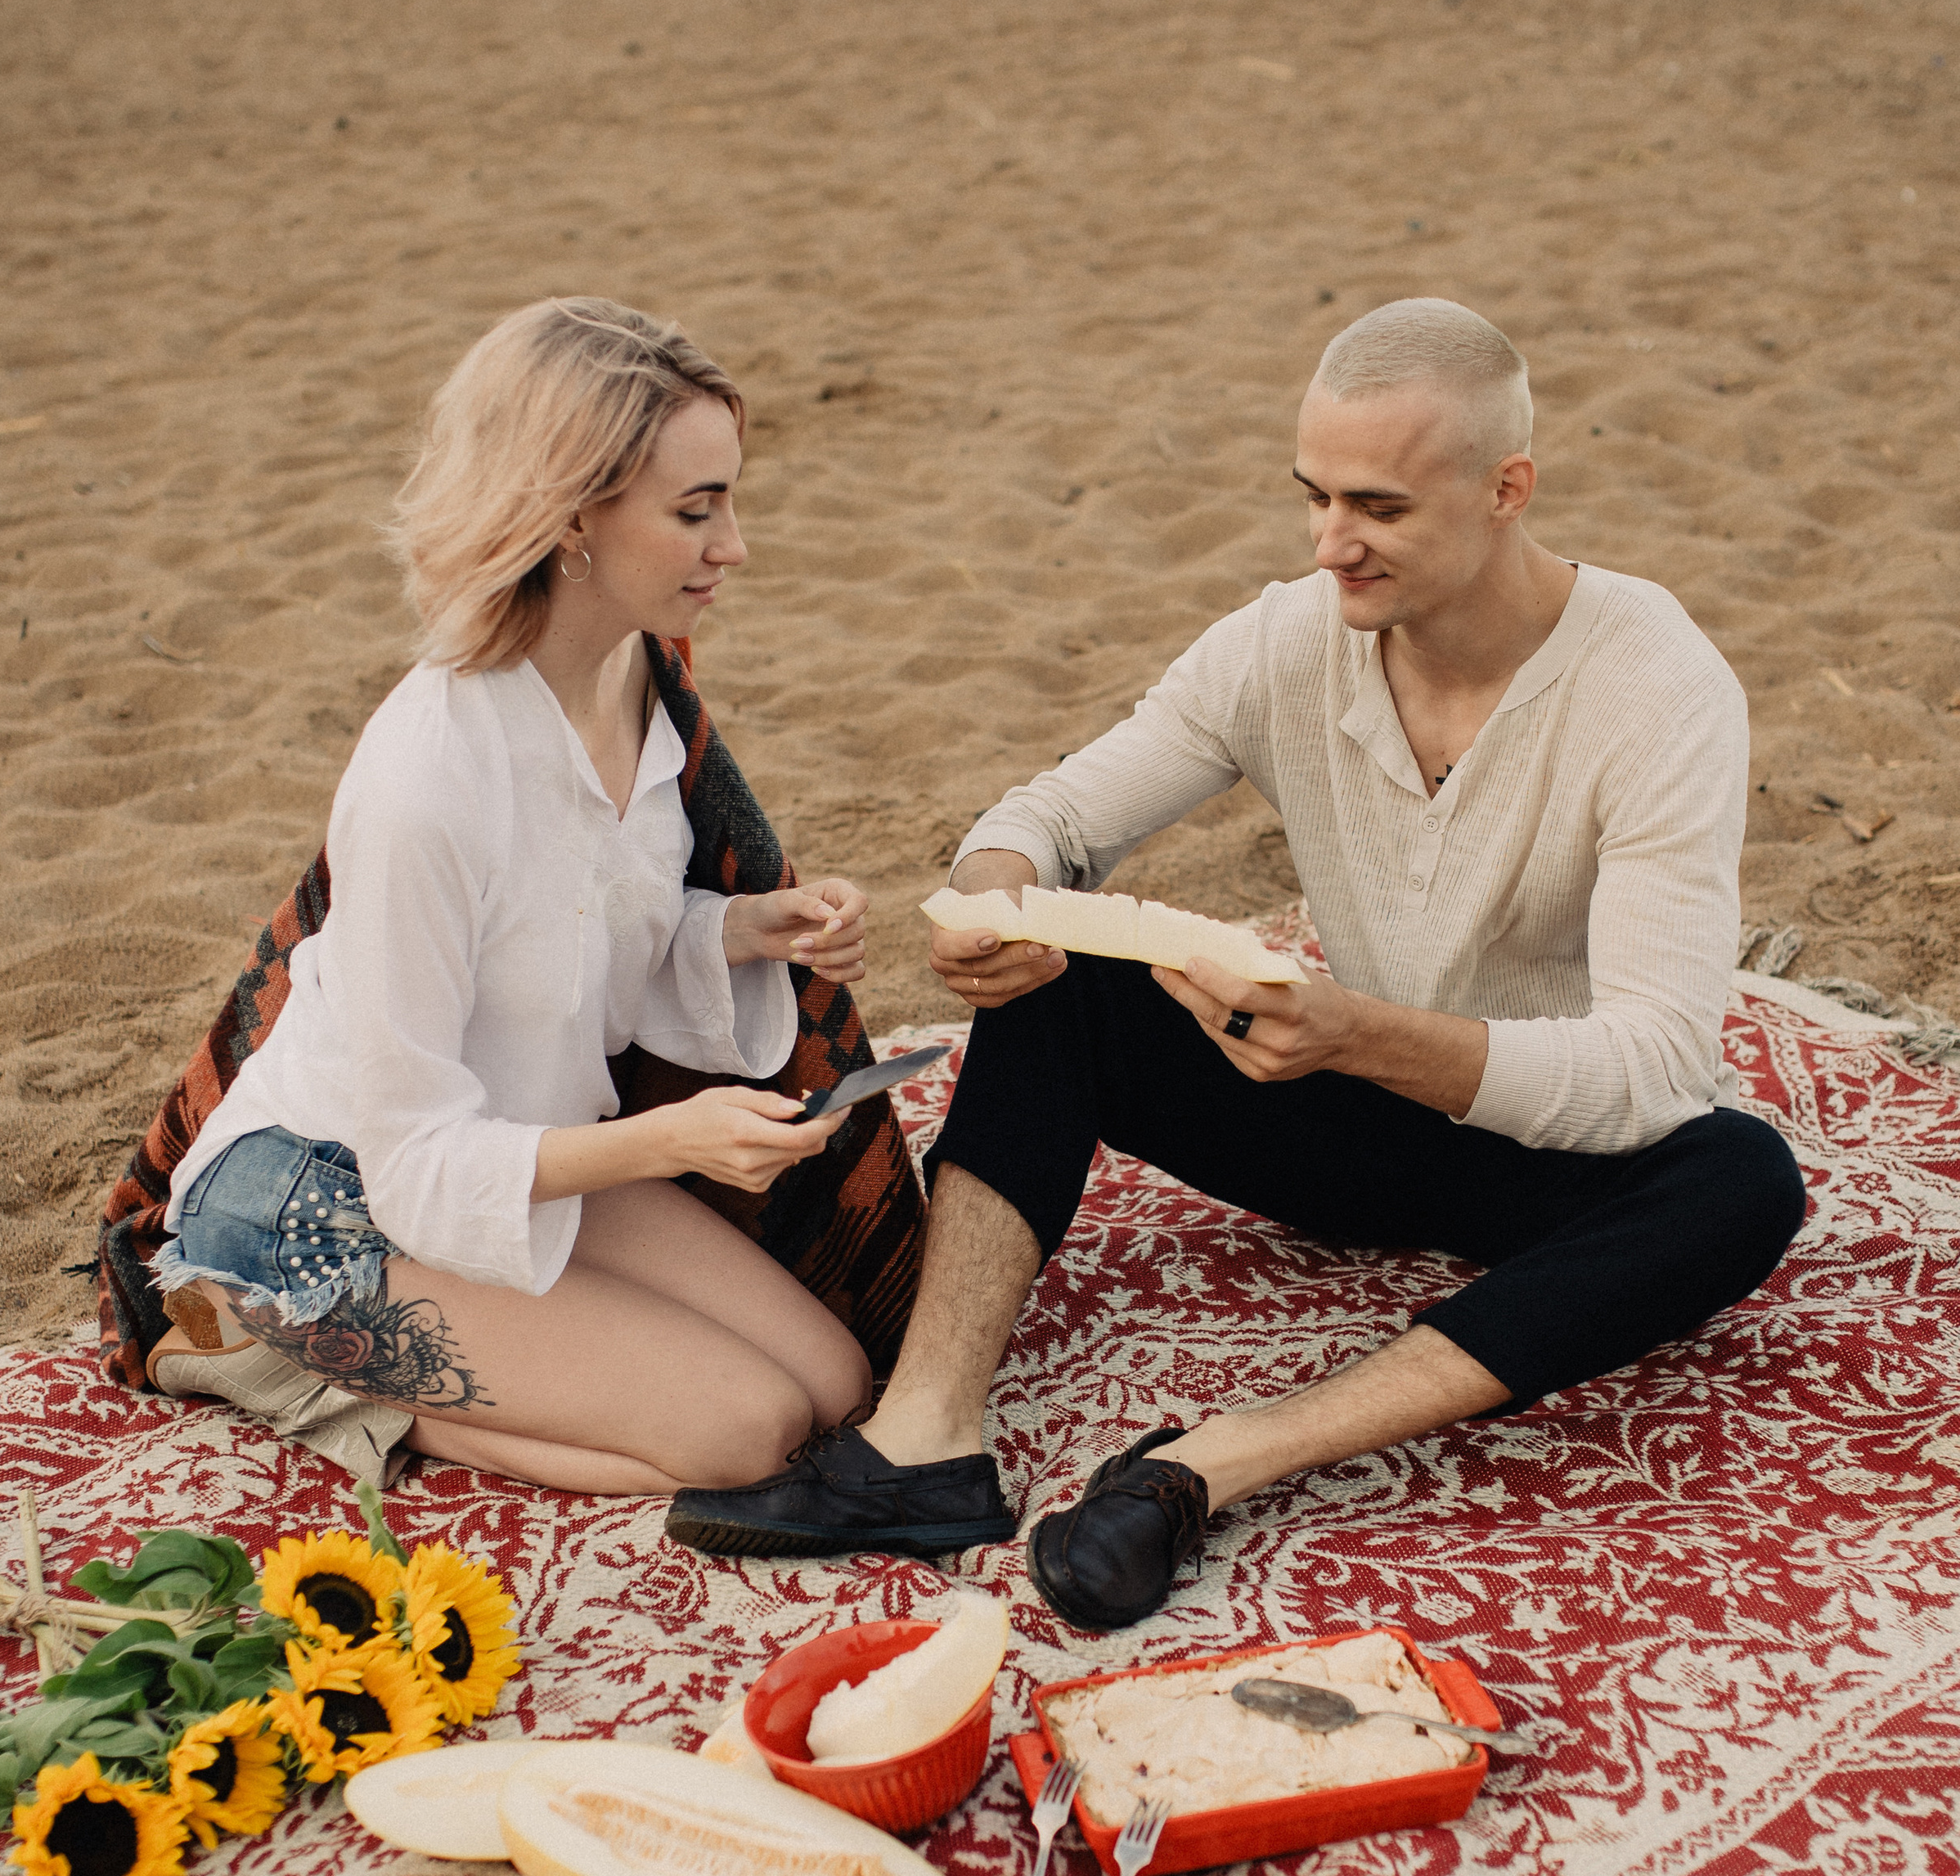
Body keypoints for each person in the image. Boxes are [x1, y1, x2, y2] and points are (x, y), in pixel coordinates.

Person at [667, 298, 1805, 1624]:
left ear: (1509, 489)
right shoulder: (1291, 637)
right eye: (1314, 498)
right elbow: (1055, 818)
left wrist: (1353, 1034)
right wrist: (990, 906)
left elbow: (1654, 1071)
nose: (1333, 545)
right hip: (1340, 1122)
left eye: (1376, 507)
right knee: (1063, 965)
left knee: (1741, 1179)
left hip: (1563, 1162)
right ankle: (923, 1444)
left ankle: (1208, 1467)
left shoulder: (1658, 689)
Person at [149, 296, 874, 1497]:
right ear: (573, 517)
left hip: (529, 1141)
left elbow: (589, 935)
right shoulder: (424, 777)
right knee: (739, 1436)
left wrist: (743, 930)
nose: (734, 545)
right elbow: (412, 1156)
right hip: (329, 1197)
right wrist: (665, 1141)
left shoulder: (639, 676)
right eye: (696, 511)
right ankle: (274, 1361)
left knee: (834, 1384)